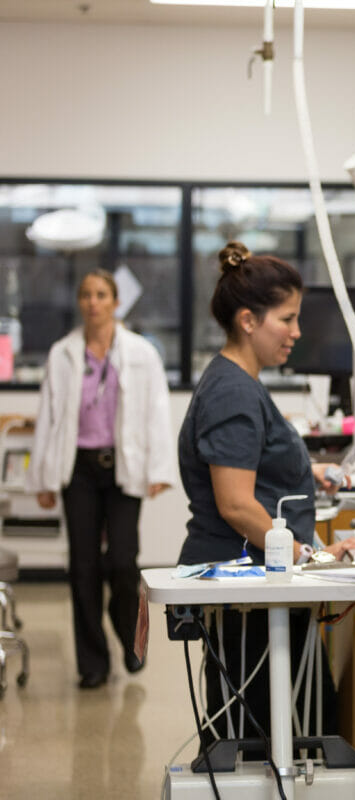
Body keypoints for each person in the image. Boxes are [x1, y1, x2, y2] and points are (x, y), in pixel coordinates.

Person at [176, 241, 355, 749]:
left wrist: (309, 467)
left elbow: (253, 466)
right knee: (261, 736)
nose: (297, 332)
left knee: (287, 726)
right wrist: (313, 556)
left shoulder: (240, 383)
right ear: (247, 320)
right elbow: (236, 503)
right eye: (287, 319)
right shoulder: (233, 391)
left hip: (261, 590)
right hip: (249, 596)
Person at [27, 269, 175, 690]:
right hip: (79, 470)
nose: (93, 302)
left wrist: (159, 470)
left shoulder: (141, 353)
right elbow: (49, 419)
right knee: (83, 566)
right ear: (80, 302)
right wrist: (42, 478)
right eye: (87, 295)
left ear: (115, 301)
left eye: (102, 294)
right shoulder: (63, 354)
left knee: (123, 563)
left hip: (123, 465)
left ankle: (127, 632)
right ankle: (93, 662)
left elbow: (156, 412)